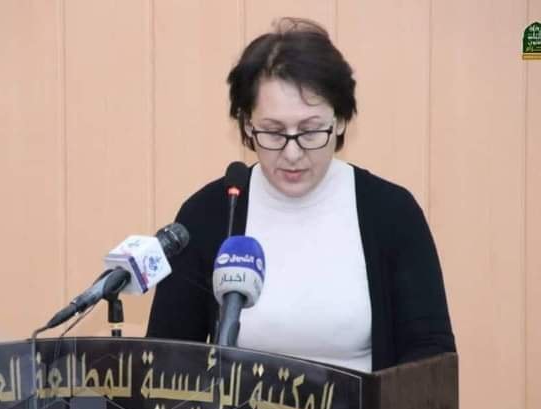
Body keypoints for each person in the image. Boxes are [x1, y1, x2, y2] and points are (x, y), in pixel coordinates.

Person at [146, 18, 455, 372]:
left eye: (310, 131)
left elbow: (430, 355)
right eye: (273, 132)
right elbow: (165, 361)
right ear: (247, 124)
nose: (292, 153)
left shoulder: (391, 213)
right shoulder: (210, 213)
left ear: (340, 120)